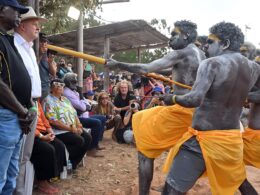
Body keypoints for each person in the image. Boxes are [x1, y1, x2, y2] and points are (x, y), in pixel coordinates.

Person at [106, 20, 205, 195]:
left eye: (174, 34)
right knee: (177, 149)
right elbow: (180, 72)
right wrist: (162, 73)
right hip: (198, 111)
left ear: (186, 35)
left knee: (143, 134)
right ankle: (169, 187)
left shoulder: (181, 52)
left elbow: (145, 67)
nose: (170, 39)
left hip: (183, 110)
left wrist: (118, 64)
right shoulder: (201, 54)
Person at [162, 22, 260, 195]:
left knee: (171, 191)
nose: (205, 45)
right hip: (231, 143)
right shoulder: (254, 68)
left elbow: (194, 99)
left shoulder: (211, 64)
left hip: (201, 143)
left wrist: (173, 98)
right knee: (239, 182)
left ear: (225, 44)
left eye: (210, 41)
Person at [0, 2, 35, 194]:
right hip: (5, 116)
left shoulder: (7, 39)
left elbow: (16, 77)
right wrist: (22, 110)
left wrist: (27, 107)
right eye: (16, 11)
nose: (19, 16)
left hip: (16, 117)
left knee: (10, 176)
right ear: (1, 11)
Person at [13, 7, 46, 195]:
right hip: (18, 105)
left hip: (32, 104)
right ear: (22, 25)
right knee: (15, 155)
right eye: (34, 23)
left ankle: (20, 191)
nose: (37, 27)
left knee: (24, 155)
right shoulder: (13, 45)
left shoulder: (30, 49)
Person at [43, 79, 92, 169]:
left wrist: (79, 125)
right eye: (56, 84)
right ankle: (67, 162)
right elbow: (52, 121)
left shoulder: (65, 99)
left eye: (62, 85)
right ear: (51, 88)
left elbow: (74, 113)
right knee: (79, 140)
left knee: (87, 138)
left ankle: (73, 163)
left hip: (73, 128)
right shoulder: (48, 100)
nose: (60, 87)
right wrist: (71, 129)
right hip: (59, 131)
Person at [63, 73, 105, 156]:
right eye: (72, 82)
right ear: (67, 82)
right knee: (97, 123)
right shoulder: (67, 92)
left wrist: (83, 100)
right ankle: (91, 149)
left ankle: (95, 144)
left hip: (84, 115)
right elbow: (82, 107)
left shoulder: (73, 91)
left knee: (102, 118)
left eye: (75, 81)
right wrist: (83, 102)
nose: (75, 84)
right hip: (76, 119)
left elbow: (86, 104)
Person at [30, 101, 66, 194]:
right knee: (47, 149)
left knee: (59, 145)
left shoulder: (36, 102)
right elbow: (28, 124)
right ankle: (42, 182)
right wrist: (41, 136)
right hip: (32, 135)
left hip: (43, 132)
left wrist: (50, 132)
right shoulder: (23, 100)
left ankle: (51, 177)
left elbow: (44, 119)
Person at [39, 33, 57, 101]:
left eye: (45, 41)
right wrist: (40, 54)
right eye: (41, 41)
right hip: (34, 86)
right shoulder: (31, 51)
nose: (43, 44)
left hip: (45, 87)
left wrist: (50, 62)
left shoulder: (48, 56)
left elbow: (53, 73)